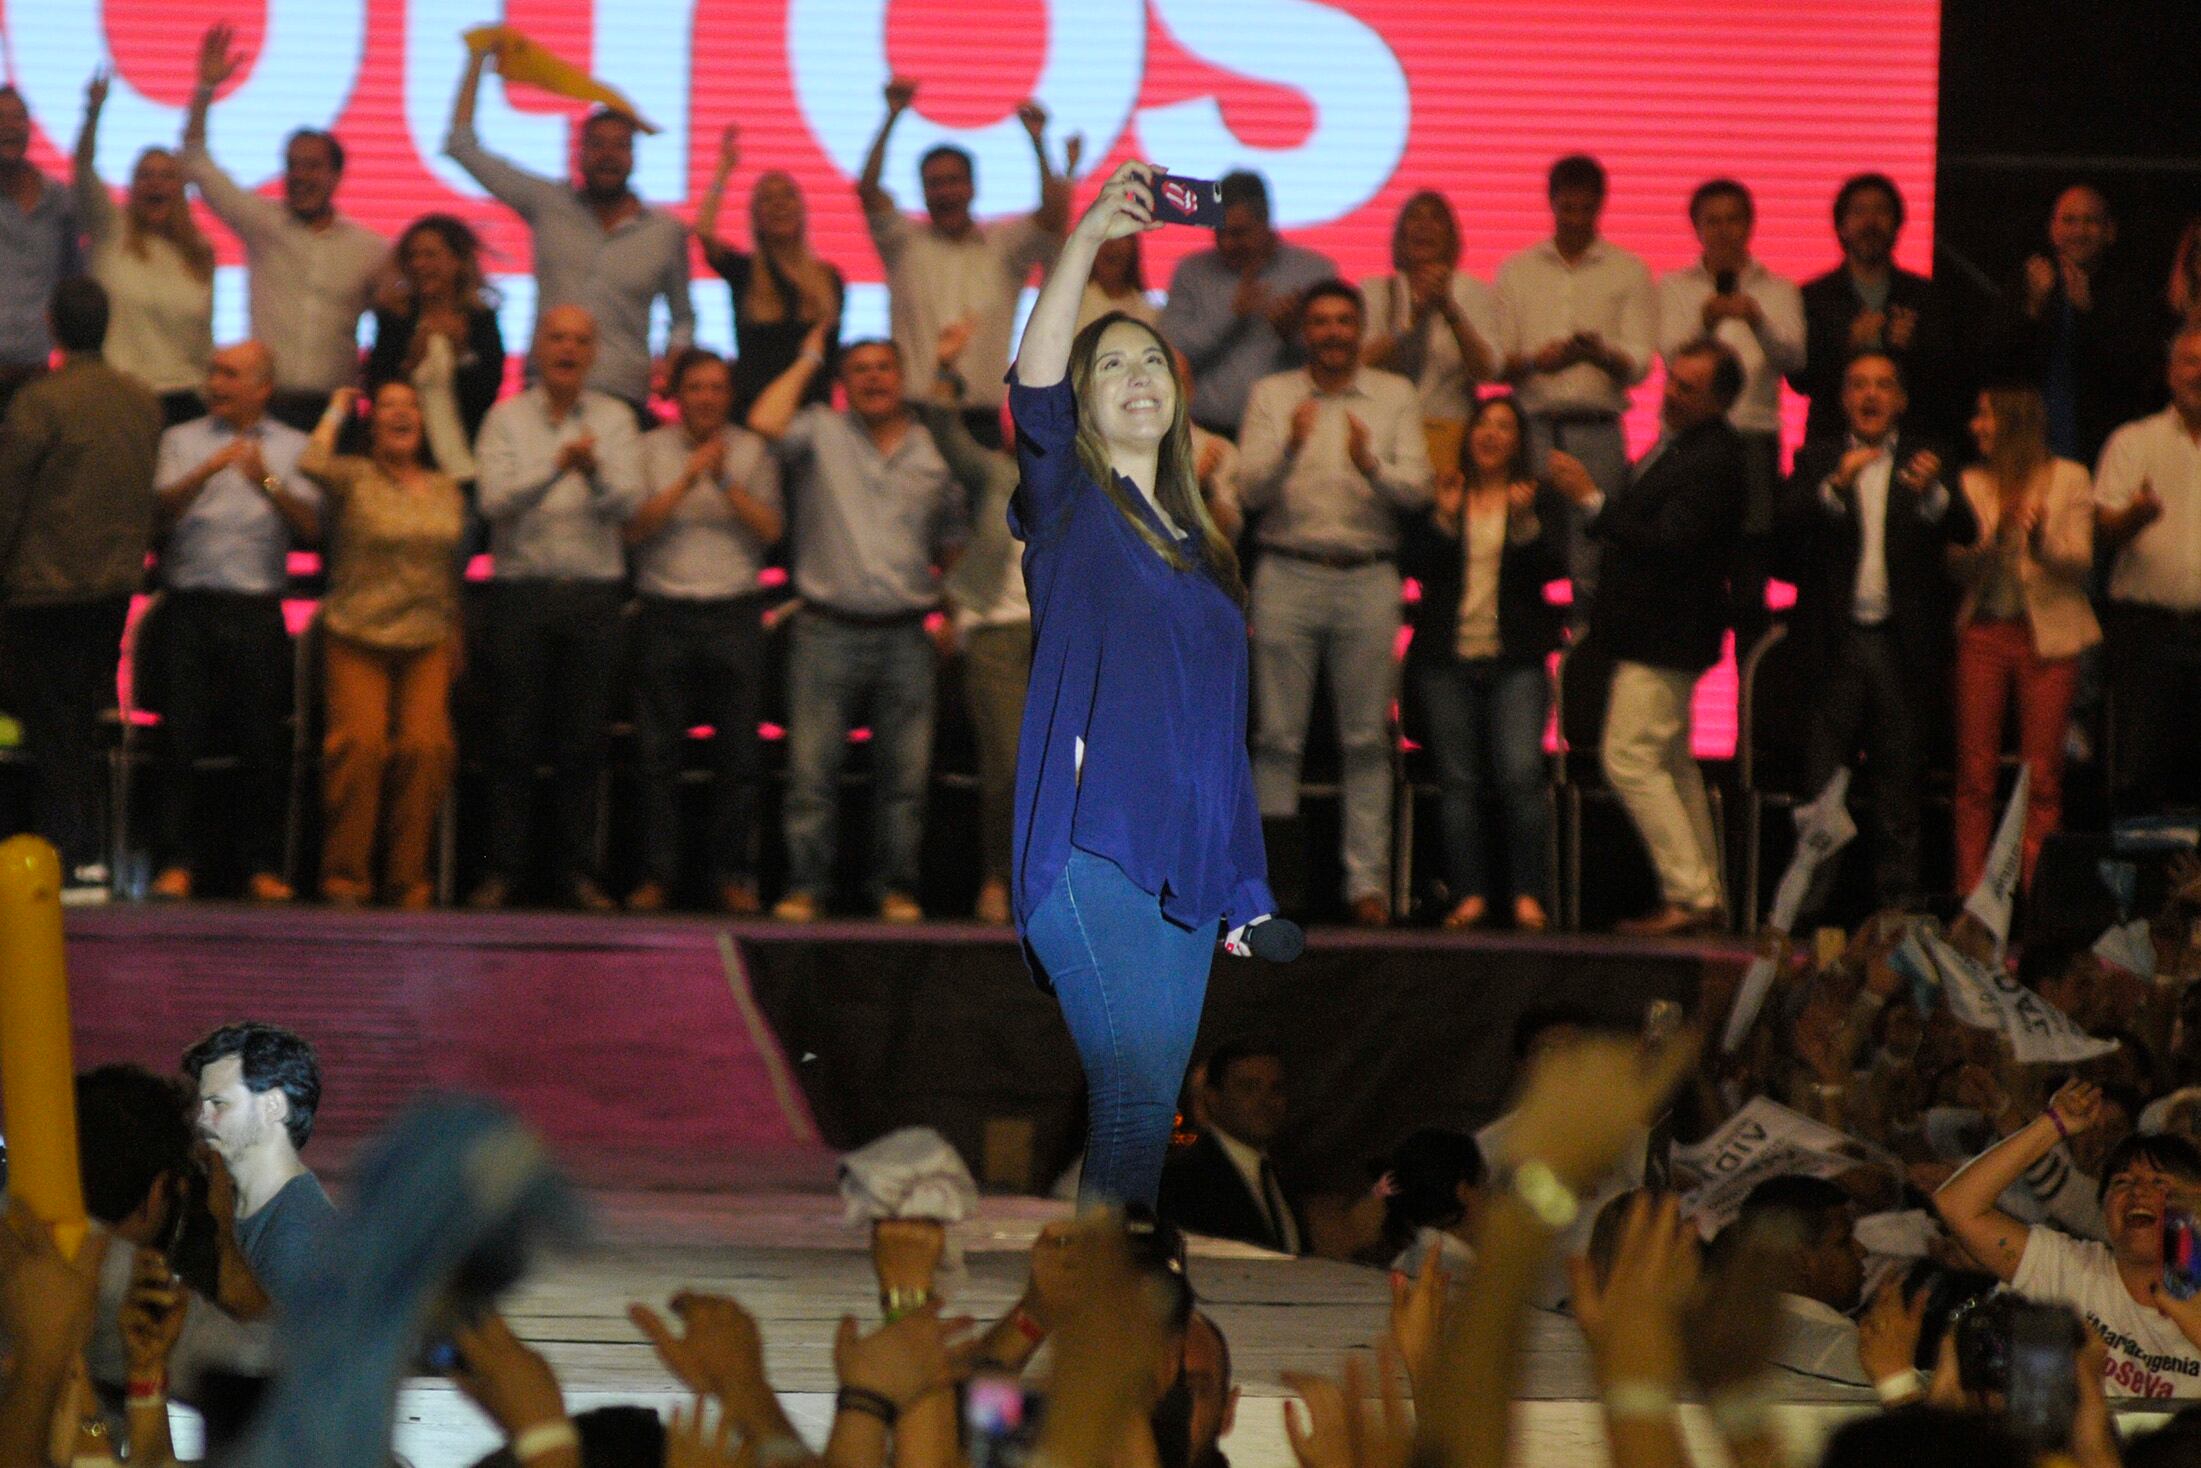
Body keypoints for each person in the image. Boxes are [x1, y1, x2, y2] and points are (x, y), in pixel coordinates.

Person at [1007, 161, 1277, 1208]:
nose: (1138, 375)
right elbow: (1029, 390)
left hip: (1186, 874)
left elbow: (1219, 746)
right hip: (1091, 851)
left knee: (1146, 1114)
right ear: (1079, 401)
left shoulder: (1201, 553)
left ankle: (1110, 1336)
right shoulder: (1068, 507)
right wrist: (1082, 244)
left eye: (1153, 362)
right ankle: (1104, 1341)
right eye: (1110, 362)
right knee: (1127, 1103)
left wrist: (1243, 891)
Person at [749, 331, 963, 923]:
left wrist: (953, 612)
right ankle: (806, 888)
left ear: (902, 378)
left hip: (908, 634)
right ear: (843, 384)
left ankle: (894, 889)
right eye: (859, 370)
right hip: (827, 631)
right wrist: (810, 356)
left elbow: (952, 545)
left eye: (884, 369)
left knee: (905, 781)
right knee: (811, 775)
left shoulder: (933, 447)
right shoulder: (819, 430)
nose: (873, 378)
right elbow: (764, 422)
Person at [1239, 281, 1430, 925]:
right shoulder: (1273, 395)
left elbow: (1419, 491)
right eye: (1319, 321)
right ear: (1305, 332)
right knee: (1276, 739)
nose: (1332, 332)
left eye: (1344, 321)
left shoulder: (1395, 395)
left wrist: (1371, 465)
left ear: (1360, 328)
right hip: (1286, 572)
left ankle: (1366, 888)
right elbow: (1247, 492)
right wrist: (1290, 446)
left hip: (1369, 577)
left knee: (1366, 741)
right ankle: (1272, 885)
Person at [1556, 337, 1746, 936]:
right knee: (1670, 760)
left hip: (1667, 630)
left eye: (1688, 387)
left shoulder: (1712, 457)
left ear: (1719, 400)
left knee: (1630, 757)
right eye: (1672, 380)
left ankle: (1689, 896)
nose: (1671, 394)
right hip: (1659, 630)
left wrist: (1590, 498)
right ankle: (1705, 894)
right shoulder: (1689, 447)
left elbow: (1671, 543)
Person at [1776, 351, 1973, 911]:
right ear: (1842, 399)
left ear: (1902, 401)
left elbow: (1964, 526)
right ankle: (1812, 915)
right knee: (1822, 792)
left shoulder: (1926, 461)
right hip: (1834, 647)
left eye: (1884, 385)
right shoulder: (1817, 458)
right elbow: (1785, 533)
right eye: (1858, 384)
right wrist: (1833, 489)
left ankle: (1897, 916)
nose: (1870, 395)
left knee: (1898, 792)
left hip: (1899, 647)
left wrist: (1935, 494)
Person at [470, 305, 646, 911]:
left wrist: (592, 472)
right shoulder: (505, 418)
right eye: (557, 337)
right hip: (521, 594)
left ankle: (578, 873)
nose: (568, 348)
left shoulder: (617, 418)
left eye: (580, 339)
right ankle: (505, 872)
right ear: (537, 348)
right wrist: (555, 467)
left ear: (594, 353)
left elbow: (628, 504)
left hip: (594, 595)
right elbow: (494, 503)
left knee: (583, 743)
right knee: (511, 740)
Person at [0, 278, 161, 901]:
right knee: (79, 717)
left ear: (52, 325)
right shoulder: (140, 401)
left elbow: (9, 496)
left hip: (43, 586)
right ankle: (85, 853)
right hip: (113, 585)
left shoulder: (40, 403)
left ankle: (72, 854)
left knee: (52, 723)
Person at [148, 342, 320, 904]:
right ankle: (174, 861)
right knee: (180, 739)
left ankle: (261, 865)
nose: (215, 382)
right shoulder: (181, 440)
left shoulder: (296, 448)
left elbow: (313, 529)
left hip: (257, 610)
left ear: (262, 388)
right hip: (189, 607)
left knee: (262, 744)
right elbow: (158, 515)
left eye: (230, 374)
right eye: (213, 370)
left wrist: (265, 481)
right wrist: (207, 471)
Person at [447, 38, 692, 422]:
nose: (608, 156)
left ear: (634, 156)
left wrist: (675, 353)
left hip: (623, 397)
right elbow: (462, 147)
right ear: (578, 152)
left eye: (619, 147)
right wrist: (477, 58)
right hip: (544, 393)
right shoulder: (547, 203)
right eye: (597, 145)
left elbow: (683, 316)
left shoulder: (665, 231)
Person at [1399, 395, 1569, 931]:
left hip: (1514, 660)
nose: (1491, 434)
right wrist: (1445, 519)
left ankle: (1527, 895)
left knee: (1520, 775)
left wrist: (1523, 525)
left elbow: (1554, 569)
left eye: (1504, 426)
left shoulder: (1537, 499)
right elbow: (1416, 566)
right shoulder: (1446, 493)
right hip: (1444, 659)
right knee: (1458, 782)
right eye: (1483, 425)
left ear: (1520, 441)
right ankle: (1469, 894)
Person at [622, 348, 783, 914]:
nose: (707, 398)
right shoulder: (647, 450)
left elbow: (770, 531)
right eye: (696, 387)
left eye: (717, 387)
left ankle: (731, 876)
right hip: (664, 612)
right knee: (656, 756)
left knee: (738, 758)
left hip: (735, 614)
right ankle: (656, 875)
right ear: (677, 394)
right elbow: (635, 529)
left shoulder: (754, 450)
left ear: (729, 394)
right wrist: (688, 482)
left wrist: (727, 483)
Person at [299, 382, 466, 908]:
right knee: (361, 748)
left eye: (411, 405)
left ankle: (407, 879)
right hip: (357, 633)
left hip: (427, 637)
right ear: (372, 425)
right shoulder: (354, 477)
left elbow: (452, 566)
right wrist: (338, 404)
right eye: (389, 405)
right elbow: (309, 461)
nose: (401, 413)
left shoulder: (445, 487)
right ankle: (346, 876)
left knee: (426, 749)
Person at [1935, 1078, 2201, 1398]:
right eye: (2122, 1183)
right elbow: (1957, 1205)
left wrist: (2188, 1307)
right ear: (2103, 1209)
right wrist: (2052, 1125)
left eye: (2160, 1184)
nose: (2138, 1193)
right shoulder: (2067, 1267)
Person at [182, 25, 387, 429]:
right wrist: (205, 90)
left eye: (313, 166)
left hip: (335, 412)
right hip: (264, 407)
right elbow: (195, 162)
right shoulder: (262, 223)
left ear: (336, 176)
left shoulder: (371, 249)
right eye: (292, 165)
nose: (300, 176)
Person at [857, 79, 1067, 447]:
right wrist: (890, 118)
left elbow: (1052, 215)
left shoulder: (1003, 247)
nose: (945, 192)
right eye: (934, 184)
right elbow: (869, 191)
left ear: (973, 187)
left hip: (980, 423)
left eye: (954, 181)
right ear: (923, 192)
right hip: (913, 419)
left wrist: (1038, 143)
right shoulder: (904, 244)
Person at [1949, 384, 2098, 893]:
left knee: (2042, 776)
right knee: (1975, 775)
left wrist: (2040, 541)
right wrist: (1993, 542)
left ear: (2012, 421)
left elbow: (2079, 566)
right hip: (1986, 633)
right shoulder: (1969, 482)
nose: (1975, 426)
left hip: (2048, 638)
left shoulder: (2069, 478)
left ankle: (2036, 897)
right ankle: (1972, 897)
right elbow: (1954, 565)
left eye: (1985, 416)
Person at [1495, 155, 1656, 612]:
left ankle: (1586, 659)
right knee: (1519, 542)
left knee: (1595, 550)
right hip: (1530, 425)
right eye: (1568, 208)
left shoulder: (1628, 270)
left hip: (1598, 426)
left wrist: (1599, 354)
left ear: (1601, 206)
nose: (1577, 219)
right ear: (1551, 203)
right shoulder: (1518, 269)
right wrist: (1536, 361)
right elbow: (1495, 362)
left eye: (1587, 209)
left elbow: (1641, 366)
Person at [1658, 178, 1805, 648]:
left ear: (1750, 225)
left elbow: (1796, 359)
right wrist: (1707, 320)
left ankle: (1752, 706)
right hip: (1691, 443)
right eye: (1712, 221)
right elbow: (1667, 356)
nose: (1723, 231)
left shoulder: (1777, 289)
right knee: (1686, 571)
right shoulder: (1675, 288)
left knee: (1750, 571)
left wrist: (1756, 318)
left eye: (1733, 220)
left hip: (1753, 440)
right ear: (1697, 228)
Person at [918, 325, 1029, 926]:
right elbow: (943, 431)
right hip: (998, 632)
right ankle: (997, 878)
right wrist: (944, 370)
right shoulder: (994, 474)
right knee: (1009, 763)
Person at [2093, 325, 2201, 816]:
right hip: (2146, 634)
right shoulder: (2133, 441)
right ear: (2171, 373)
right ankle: (2138, 892)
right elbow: (2102, 532)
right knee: (2137, 777)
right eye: (2191, 361)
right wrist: (2135, 516)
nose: (2200, 373)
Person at [72, 71, 214, 424]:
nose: (156, 183)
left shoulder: (198, 253)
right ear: (133, 187)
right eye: (145, 175)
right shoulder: (111, 233)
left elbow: (204, 339)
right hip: (121, 397)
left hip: (186, 403)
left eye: (167, 175)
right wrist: (92, 115)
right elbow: (83, 169)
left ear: (181, 188)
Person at [1985, 185, 2163, 466]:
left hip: (2105, 446)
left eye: (2090, 221)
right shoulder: (2027, 281)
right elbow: (1996, 363)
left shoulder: (2131, 291)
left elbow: (2137, 374)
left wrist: (2087, 314)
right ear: (2053, 230)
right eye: (2069, 221)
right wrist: (2033, 307)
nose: (2079, 231)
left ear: (2109, 231)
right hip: (2031, 443)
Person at [1160, 171, 1338, 439]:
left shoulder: (1314, 272)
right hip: (1204, 433)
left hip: (1288, 432)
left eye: (1239, 233)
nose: (1227, 243)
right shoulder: (1191, 272)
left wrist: (1295, 336)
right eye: (1219, 232)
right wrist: (1230, 317)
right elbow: (1168, 352)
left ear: (1265, 221)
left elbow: (1336, 359)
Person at [1793, 173, 1962, 444]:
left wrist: (1910, 347)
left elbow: (1949, 378)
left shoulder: (1925, 296)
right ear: (1842, 226)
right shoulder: (1814, 297)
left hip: (1911, 441)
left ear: (1897, 224)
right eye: (1859, 212)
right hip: (1832, 441)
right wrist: (1849, 346)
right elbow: (1800, 380)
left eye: (1881, 211)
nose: (1870, 222)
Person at [181, 1022, 336, 1316]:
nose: (202, 1119)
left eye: (219, 1104)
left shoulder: (302, 1238)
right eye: (202, 1105)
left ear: (274, 1106)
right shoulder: (229, 1206)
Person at [696, 123, 845, 420]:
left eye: (787, 196)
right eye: (767, 198)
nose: (779, 204)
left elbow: (830, 361)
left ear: (802, 209)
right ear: (756, 217)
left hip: (813, 416)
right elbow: (704, 233)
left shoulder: (829, 279)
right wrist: (724, 170)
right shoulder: (745, 272)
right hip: (754, 413)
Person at [1360, 189, 1504, 473]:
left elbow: (1488, 369)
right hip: (1386, 436)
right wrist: (1411, 320)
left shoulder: (1474, 292)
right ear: (1400, 234)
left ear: (1451, 236)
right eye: (1415, 217)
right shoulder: (1375, 291)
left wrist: (1449, 310)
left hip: (1451, 435)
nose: (1424, 226)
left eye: (1435, 218)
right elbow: (1359, 363)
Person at [363, 214, 506, 478]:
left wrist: (462, 353)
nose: (419, 264)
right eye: (413, 256)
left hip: (465, 460)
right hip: (405, 467)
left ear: (457, 261)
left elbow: (486, 394)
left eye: (430, 255)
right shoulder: (395, 320)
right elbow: (376, 388)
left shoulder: (480, 320)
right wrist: (410, 363)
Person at [1159, 1044, 1305, 1254]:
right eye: (1249, 1088)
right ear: (1213, 1097)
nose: (1266, 1101)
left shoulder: (1282, 1176)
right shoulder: (1182, 1179)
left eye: (1276, 1088)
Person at [1730, 1174, 1868, 1385]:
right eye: (1843, 1242)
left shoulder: (1718, 1337)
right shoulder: (1849, 1350)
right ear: (1801, 1261)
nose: (1862, 1251)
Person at [0, 85, 84, 415]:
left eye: (18, 118)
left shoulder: (58, 201)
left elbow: (72, 278)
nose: (10, 126)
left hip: (38, 375)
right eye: (1, 118)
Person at [1076, 234, 1159, 335]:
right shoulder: (1072, 307)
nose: (1112, 245)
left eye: (1121, 237)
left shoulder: (1149, 315)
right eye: (1105, 236)